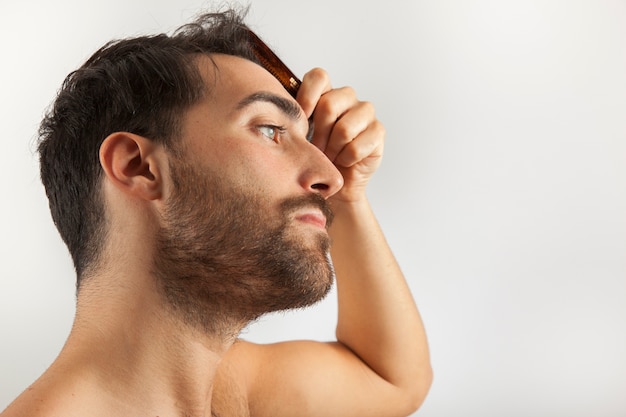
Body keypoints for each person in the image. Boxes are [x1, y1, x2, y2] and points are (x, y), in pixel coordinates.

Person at [1, 8, 432, 417]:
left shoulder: (233, 391)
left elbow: (394, 380)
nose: (330, 178)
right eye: (270, 130)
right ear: (139, 167)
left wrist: (351, 199)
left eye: (312, 142)